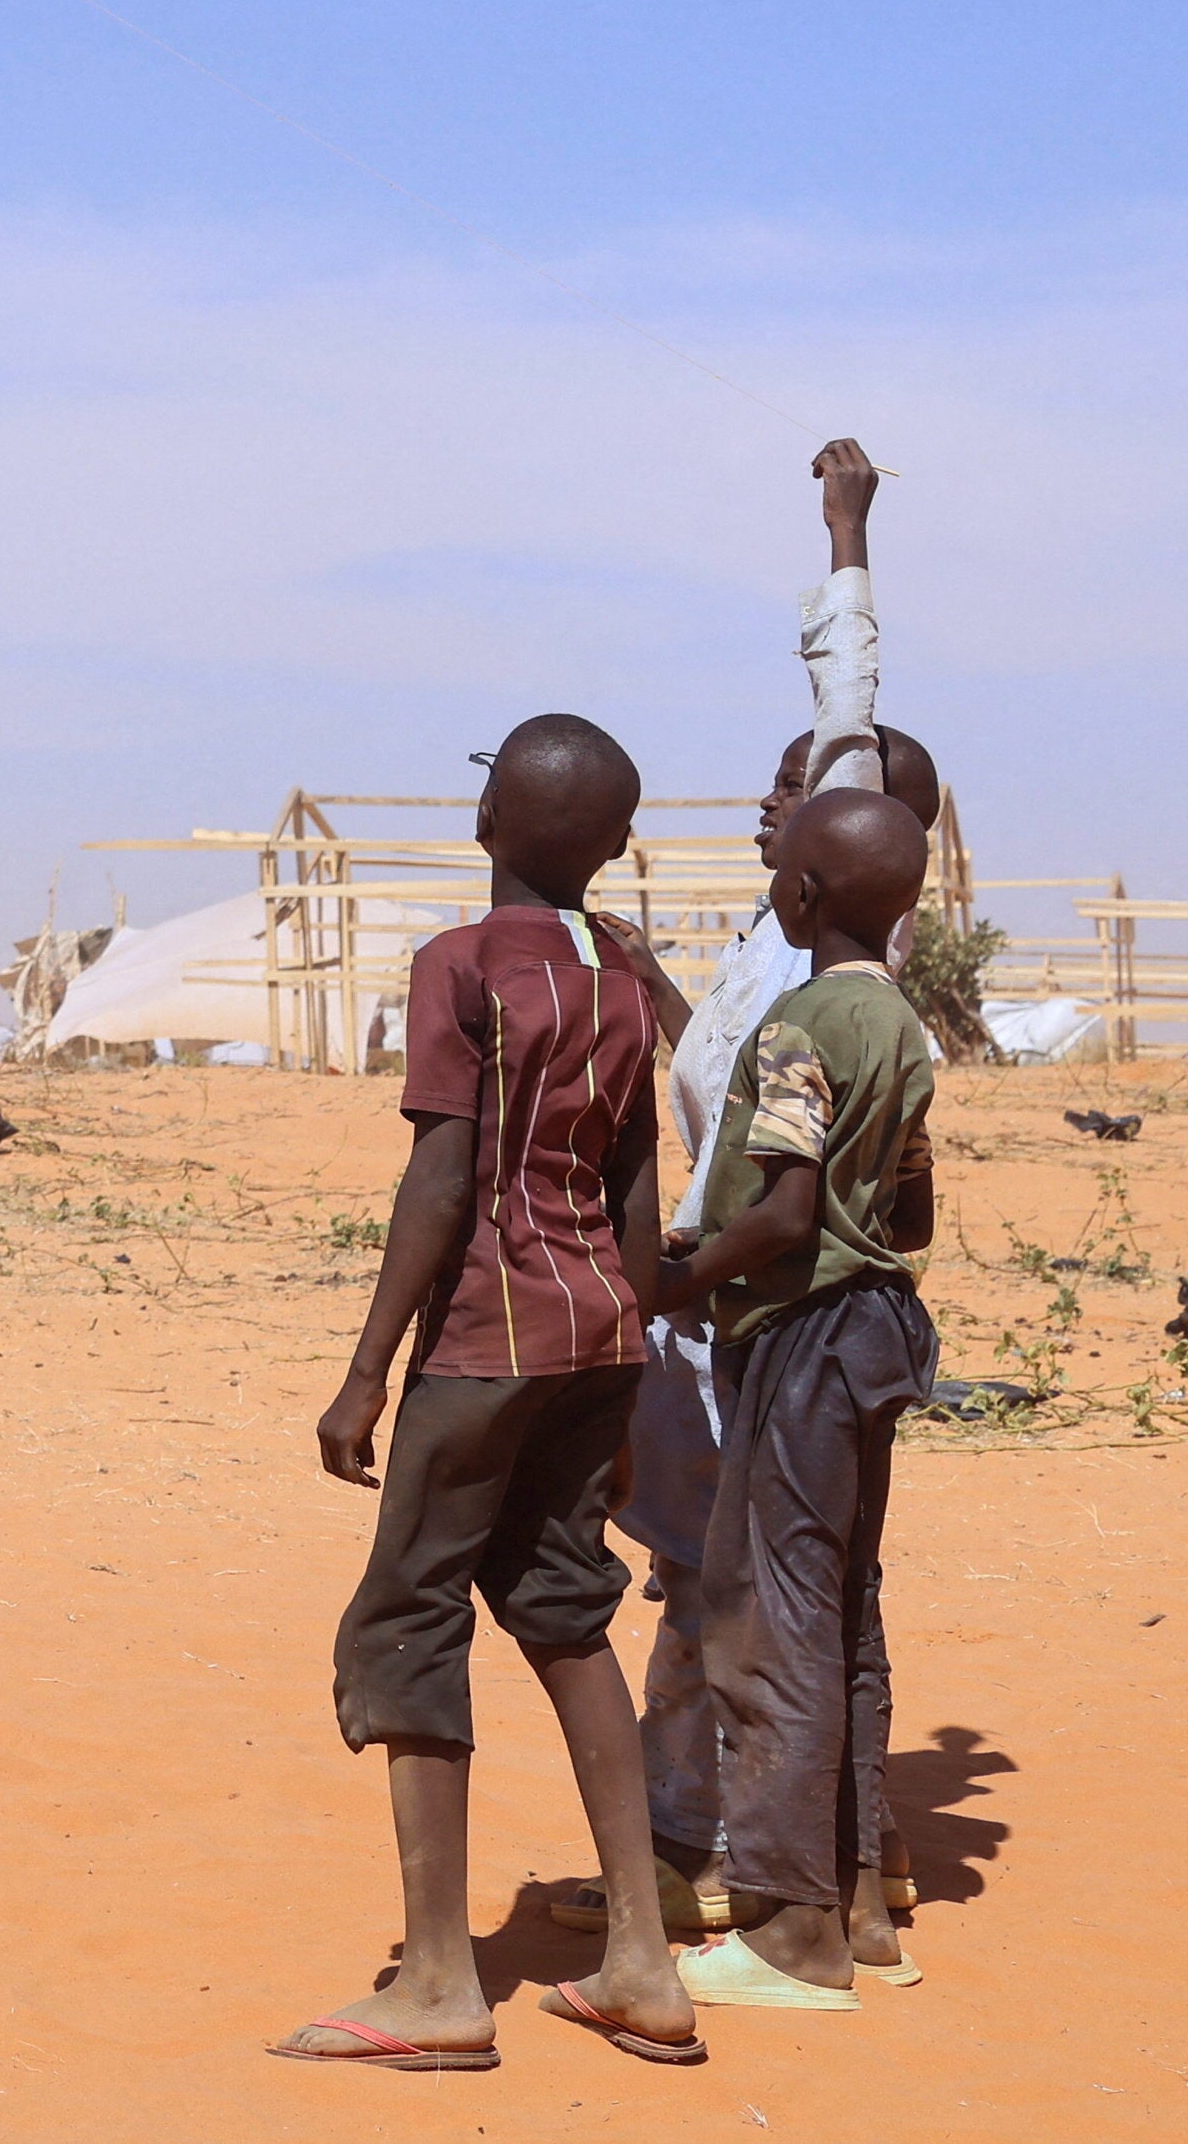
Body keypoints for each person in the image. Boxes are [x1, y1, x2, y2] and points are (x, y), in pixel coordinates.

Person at [271, 713, 702, 2073]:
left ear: (484, 826)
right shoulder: (629, 984)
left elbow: (444, 1181)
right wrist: (626, 1377)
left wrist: (363, 1372)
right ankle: (643, 1957)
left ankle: (443, 1980)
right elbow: (642, 1189)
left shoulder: (460, 964)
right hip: (597, 1337)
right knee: (567, 1610)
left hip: (481, 1338)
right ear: (615, 845)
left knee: (407, 1617)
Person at [573, 441, 935, 1968]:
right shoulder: (765, 951)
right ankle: (747, 1850)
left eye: (806, 790)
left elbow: (847, 723)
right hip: (714, 1309)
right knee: (717, 1575)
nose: (781, 797)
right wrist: (657, 987)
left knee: (764, 1593)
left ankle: (755, 1869)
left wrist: (843, 538)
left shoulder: (837, 960)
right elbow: (728, 1095)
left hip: (756, 1308)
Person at [654, 781, 943, 2010]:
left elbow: (780, 1207)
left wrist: (675, 1278)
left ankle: (788, 1934)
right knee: (842, 1608)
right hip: (878, 1332)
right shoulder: (902, 1027)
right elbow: (914, 1210)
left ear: (800, 892)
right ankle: (861, 1901)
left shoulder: (798, 1022)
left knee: (771, 1615)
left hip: (802, 1340)